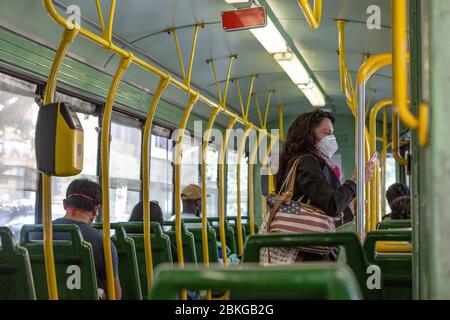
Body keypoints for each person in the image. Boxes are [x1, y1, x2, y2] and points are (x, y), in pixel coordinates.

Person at [274, 109, 374, 261]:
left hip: (309, 250)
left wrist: (350, 209)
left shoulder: (314, 163)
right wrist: (355, 181)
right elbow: (332, 204)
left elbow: (321, 218)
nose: (332, 138)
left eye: (332, 133)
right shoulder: (307, 161)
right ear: (308, 135)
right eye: (326, 133)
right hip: (307, 256)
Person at [54, 179, 121, 299]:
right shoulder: (102, 242)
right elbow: (115, 295)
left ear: (64, 204)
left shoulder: (38, 234)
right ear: (95, 210)